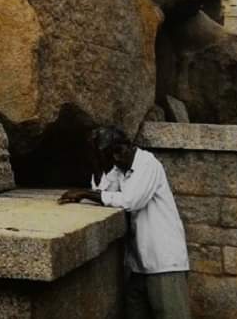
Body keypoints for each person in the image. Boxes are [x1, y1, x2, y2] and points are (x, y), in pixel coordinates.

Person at [58, 127, 190, 319]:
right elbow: (104, 189)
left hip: (165, 263)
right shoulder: (121, 166)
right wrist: (97, 164)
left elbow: (130, 201)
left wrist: (84, 193)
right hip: (139, 265)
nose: (111, 166)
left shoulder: (148, 164)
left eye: (109, 160)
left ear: (119, 153)